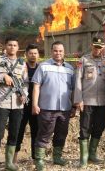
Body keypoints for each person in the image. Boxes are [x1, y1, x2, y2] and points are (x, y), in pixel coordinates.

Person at [0, 36, 28, 171]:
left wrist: (24, 95)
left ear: (18, 48)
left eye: (15, 45)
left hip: (17, 104)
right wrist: (2, 76)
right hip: (2, 103)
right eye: (10, 45)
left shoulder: (22, 63)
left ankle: (9, 163)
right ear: (5, 46)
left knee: (14, 133)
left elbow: (25, 83)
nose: (12, 47)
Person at [32, 41, 76, 171]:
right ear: (51, 52)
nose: (58, 53)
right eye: (56, 51)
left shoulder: (69, 68)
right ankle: (39, 160)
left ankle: (57, 157)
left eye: (60, 51)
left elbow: (73, 89)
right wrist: (35, 104)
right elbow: (36, 86)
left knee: (61, 133)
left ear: (64, 52)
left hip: (65, 109)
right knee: (44, 133)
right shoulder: (43, 66)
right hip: (47, 108)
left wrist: (73, 106)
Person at [73, 37, 105, 167]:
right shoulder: (83, 60)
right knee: (85, 128)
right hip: (87, 101)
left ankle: (92, 154)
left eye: (100, 47)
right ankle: (83, 158)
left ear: (103, 48)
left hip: (102, 101)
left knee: (99, 127)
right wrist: (78, 99)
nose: (98, 49)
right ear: (92, 46)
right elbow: (78, 80)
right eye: (96, 46)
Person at [14, 44, 40, 163]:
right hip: (21, 105)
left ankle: (35, 158)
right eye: (31, 53)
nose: (33, 55)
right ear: (26, 54)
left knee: (36, 131)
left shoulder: (41, 68)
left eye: (35, 53)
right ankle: (13, 159)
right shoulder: (20, 67)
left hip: (35, 105)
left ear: (38, 55)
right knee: (18, 131)